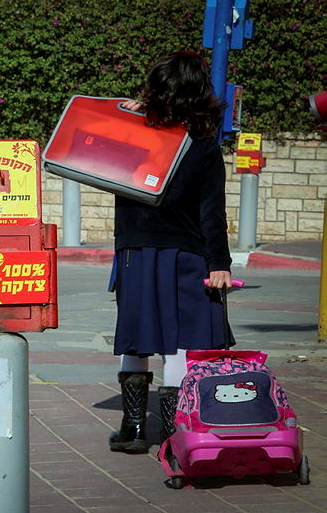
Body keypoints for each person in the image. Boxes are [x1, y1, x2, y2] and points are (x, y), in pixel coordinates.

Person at [108, 51, 232, 455]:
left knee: (135, 334)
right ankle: (173, 431)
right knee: (179, 339)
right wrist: (219, 262)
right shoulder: (203, 144)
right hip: (186, 250)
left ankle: (133, 428)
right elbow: (211, 210)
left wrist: (127, 113)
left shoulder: (133, 131)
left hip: (135, 246)